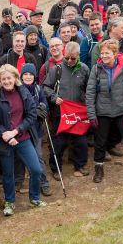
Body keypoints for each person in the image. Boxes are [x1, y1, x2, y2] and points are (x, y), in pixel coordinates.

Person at [0, 64, 47, 216]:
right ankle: (9, 202)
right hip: (4, 142)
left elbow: (31, 115)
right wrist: (6, 135)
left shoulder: (23, 93)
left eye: (9, 78)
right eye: (3, 79)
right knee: (8, 174)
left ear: (15, 78)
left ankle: (34, 198)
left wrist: (16, 131)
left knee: (36, 169)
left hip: (23, 137)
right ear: (0, 80)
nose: (7, 81)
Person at [86, 40, 123, 183]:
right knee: (100, 143)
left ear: (115, 53)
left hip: (122, 111)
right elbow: (90, 93)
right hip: (102, 112)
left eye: (107, 53)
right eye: (102, 53)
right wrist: (92, 115)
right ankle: (99, 169)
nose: (104, 56)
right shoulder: (96, 69)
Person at [42, 42, 91, 178]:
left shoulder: (85, 69)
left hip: (78, 112)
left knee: (80, 141)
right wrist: (54, 97)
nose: (69, 60)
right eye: (67, 57)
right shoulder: (56, 70)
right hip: (61, 112)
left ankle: (80, 165)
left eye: (73, 58)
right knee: (59, 142)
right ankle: (56, 168)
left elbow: (90, 88)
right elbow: (45, 87)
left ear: (79, 56)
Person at [18, 63, 51, 195]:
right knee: (19, 159)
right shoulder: (17, 90)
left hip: (36, 131)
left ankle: (43, 182)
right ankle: (18, 181)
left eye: (30, 74)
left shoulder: (38, 89)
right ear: (21, 76)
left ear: (34, 75)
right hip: (22, 131)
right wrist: (33, 111)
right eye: (25, 74)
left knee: (38, 157)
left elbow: (44, 103)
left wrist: (42, 108)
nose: (28, 76)